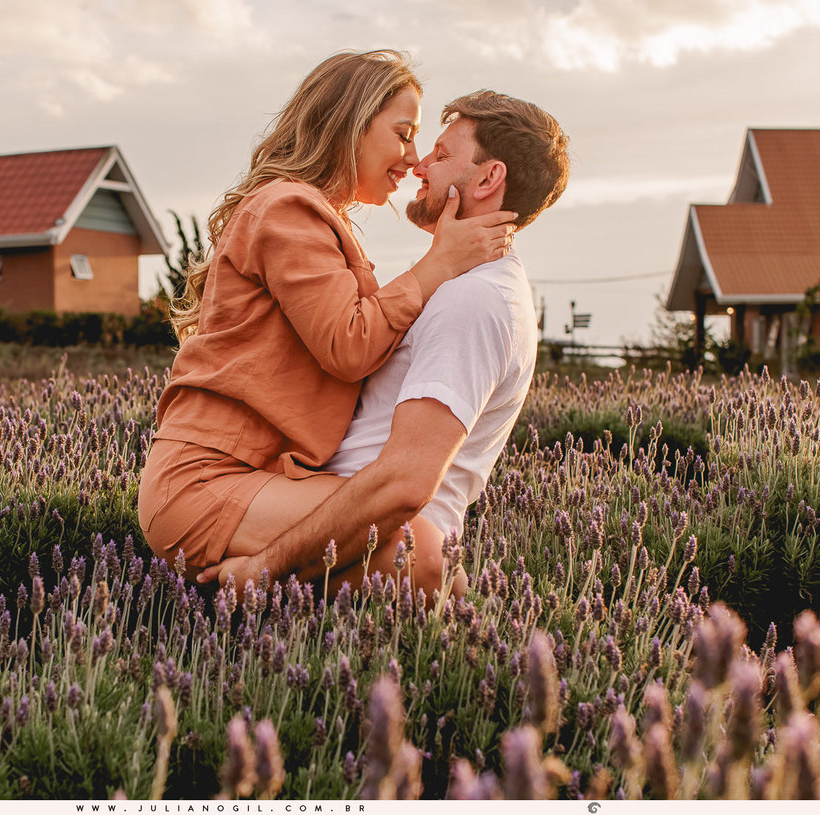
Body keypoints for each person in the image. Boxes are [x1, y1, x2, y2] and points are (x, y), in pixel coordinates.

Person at [138, 51, 518, 582]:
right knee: (423, 556)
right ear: (351, 127)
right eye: (403, 133)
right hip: (206, 482)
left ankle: (242, 601)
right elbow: (349, 346)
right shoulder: (287, 208)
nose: (412, 159)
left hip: (268, 478)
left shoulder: (318, 218)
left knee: (427, 564)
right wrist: (439, 263)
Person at [198, 90, 571, 598]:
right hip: (327, 526)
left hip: (357, 547)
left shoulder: (476, 299)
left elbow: (404, 483)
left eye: (441, 156)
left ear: (488, 179)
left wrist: (264, 570)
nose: (420, 168)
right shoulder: (459, 285)